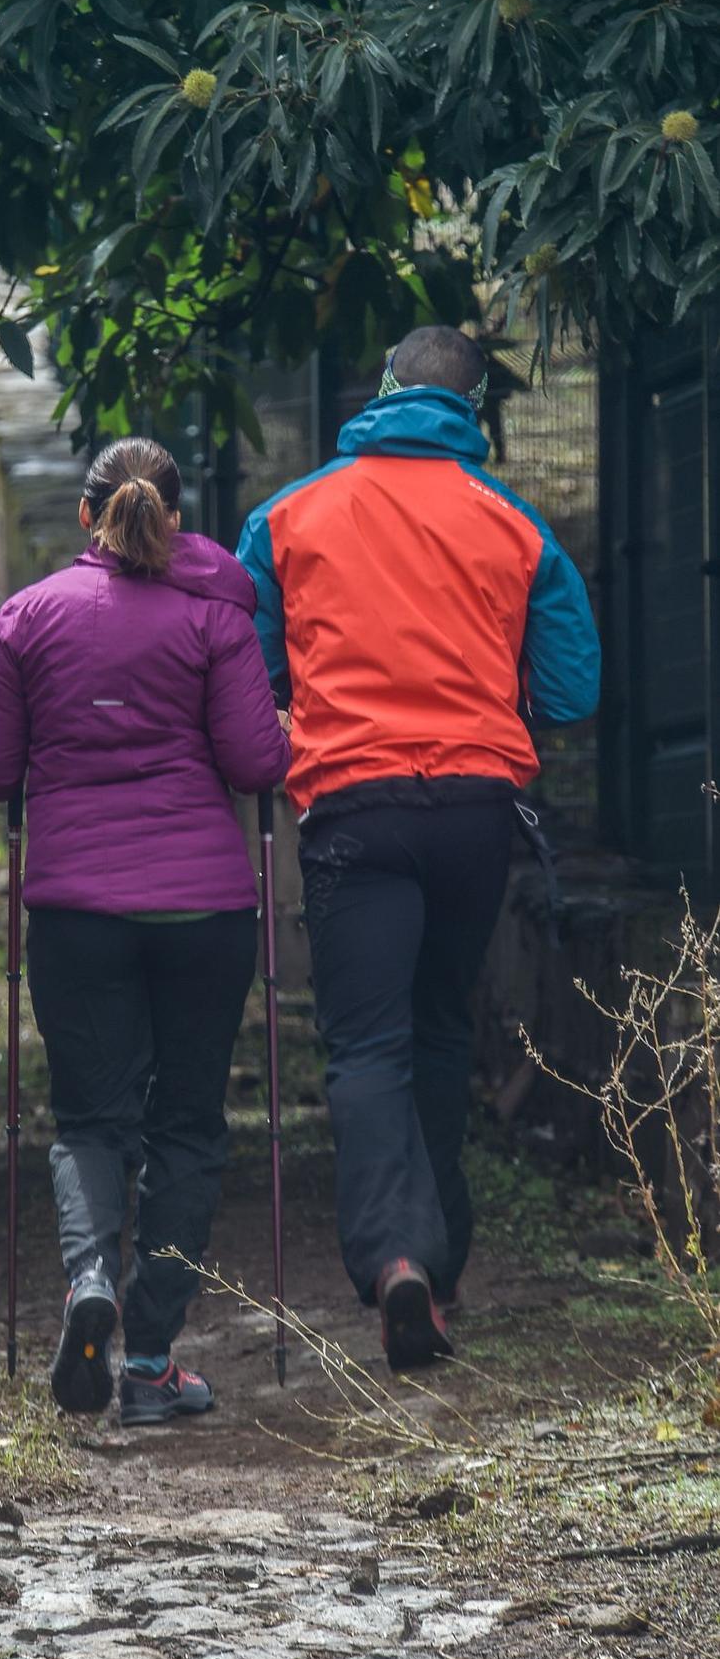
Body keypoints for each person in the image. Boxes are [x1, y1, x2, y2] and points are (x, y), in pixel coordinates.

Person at [237, 326, 600, 1371]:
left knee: (364, 1045)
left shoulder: (288, 515)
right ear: (475, 408)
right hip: (474, 815)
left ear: (382, 390)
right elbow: (573, 688)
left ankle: (395, 1257)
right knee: (441, 1029)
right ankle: (438, 1273)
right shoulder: (513, 524)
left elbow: (249, 668)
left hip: (353, 808)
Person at [0, 437, 290, 1424]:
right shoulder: (218, 612)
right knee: (186, 1125)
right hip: (203, 913)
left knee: (89, 1121)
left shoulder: (28, 617)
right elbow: (251, 757)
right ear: (176, 514)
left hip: (77, 913)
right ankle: (146, 1355)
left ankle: (89, 1280)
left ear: (83, 517)